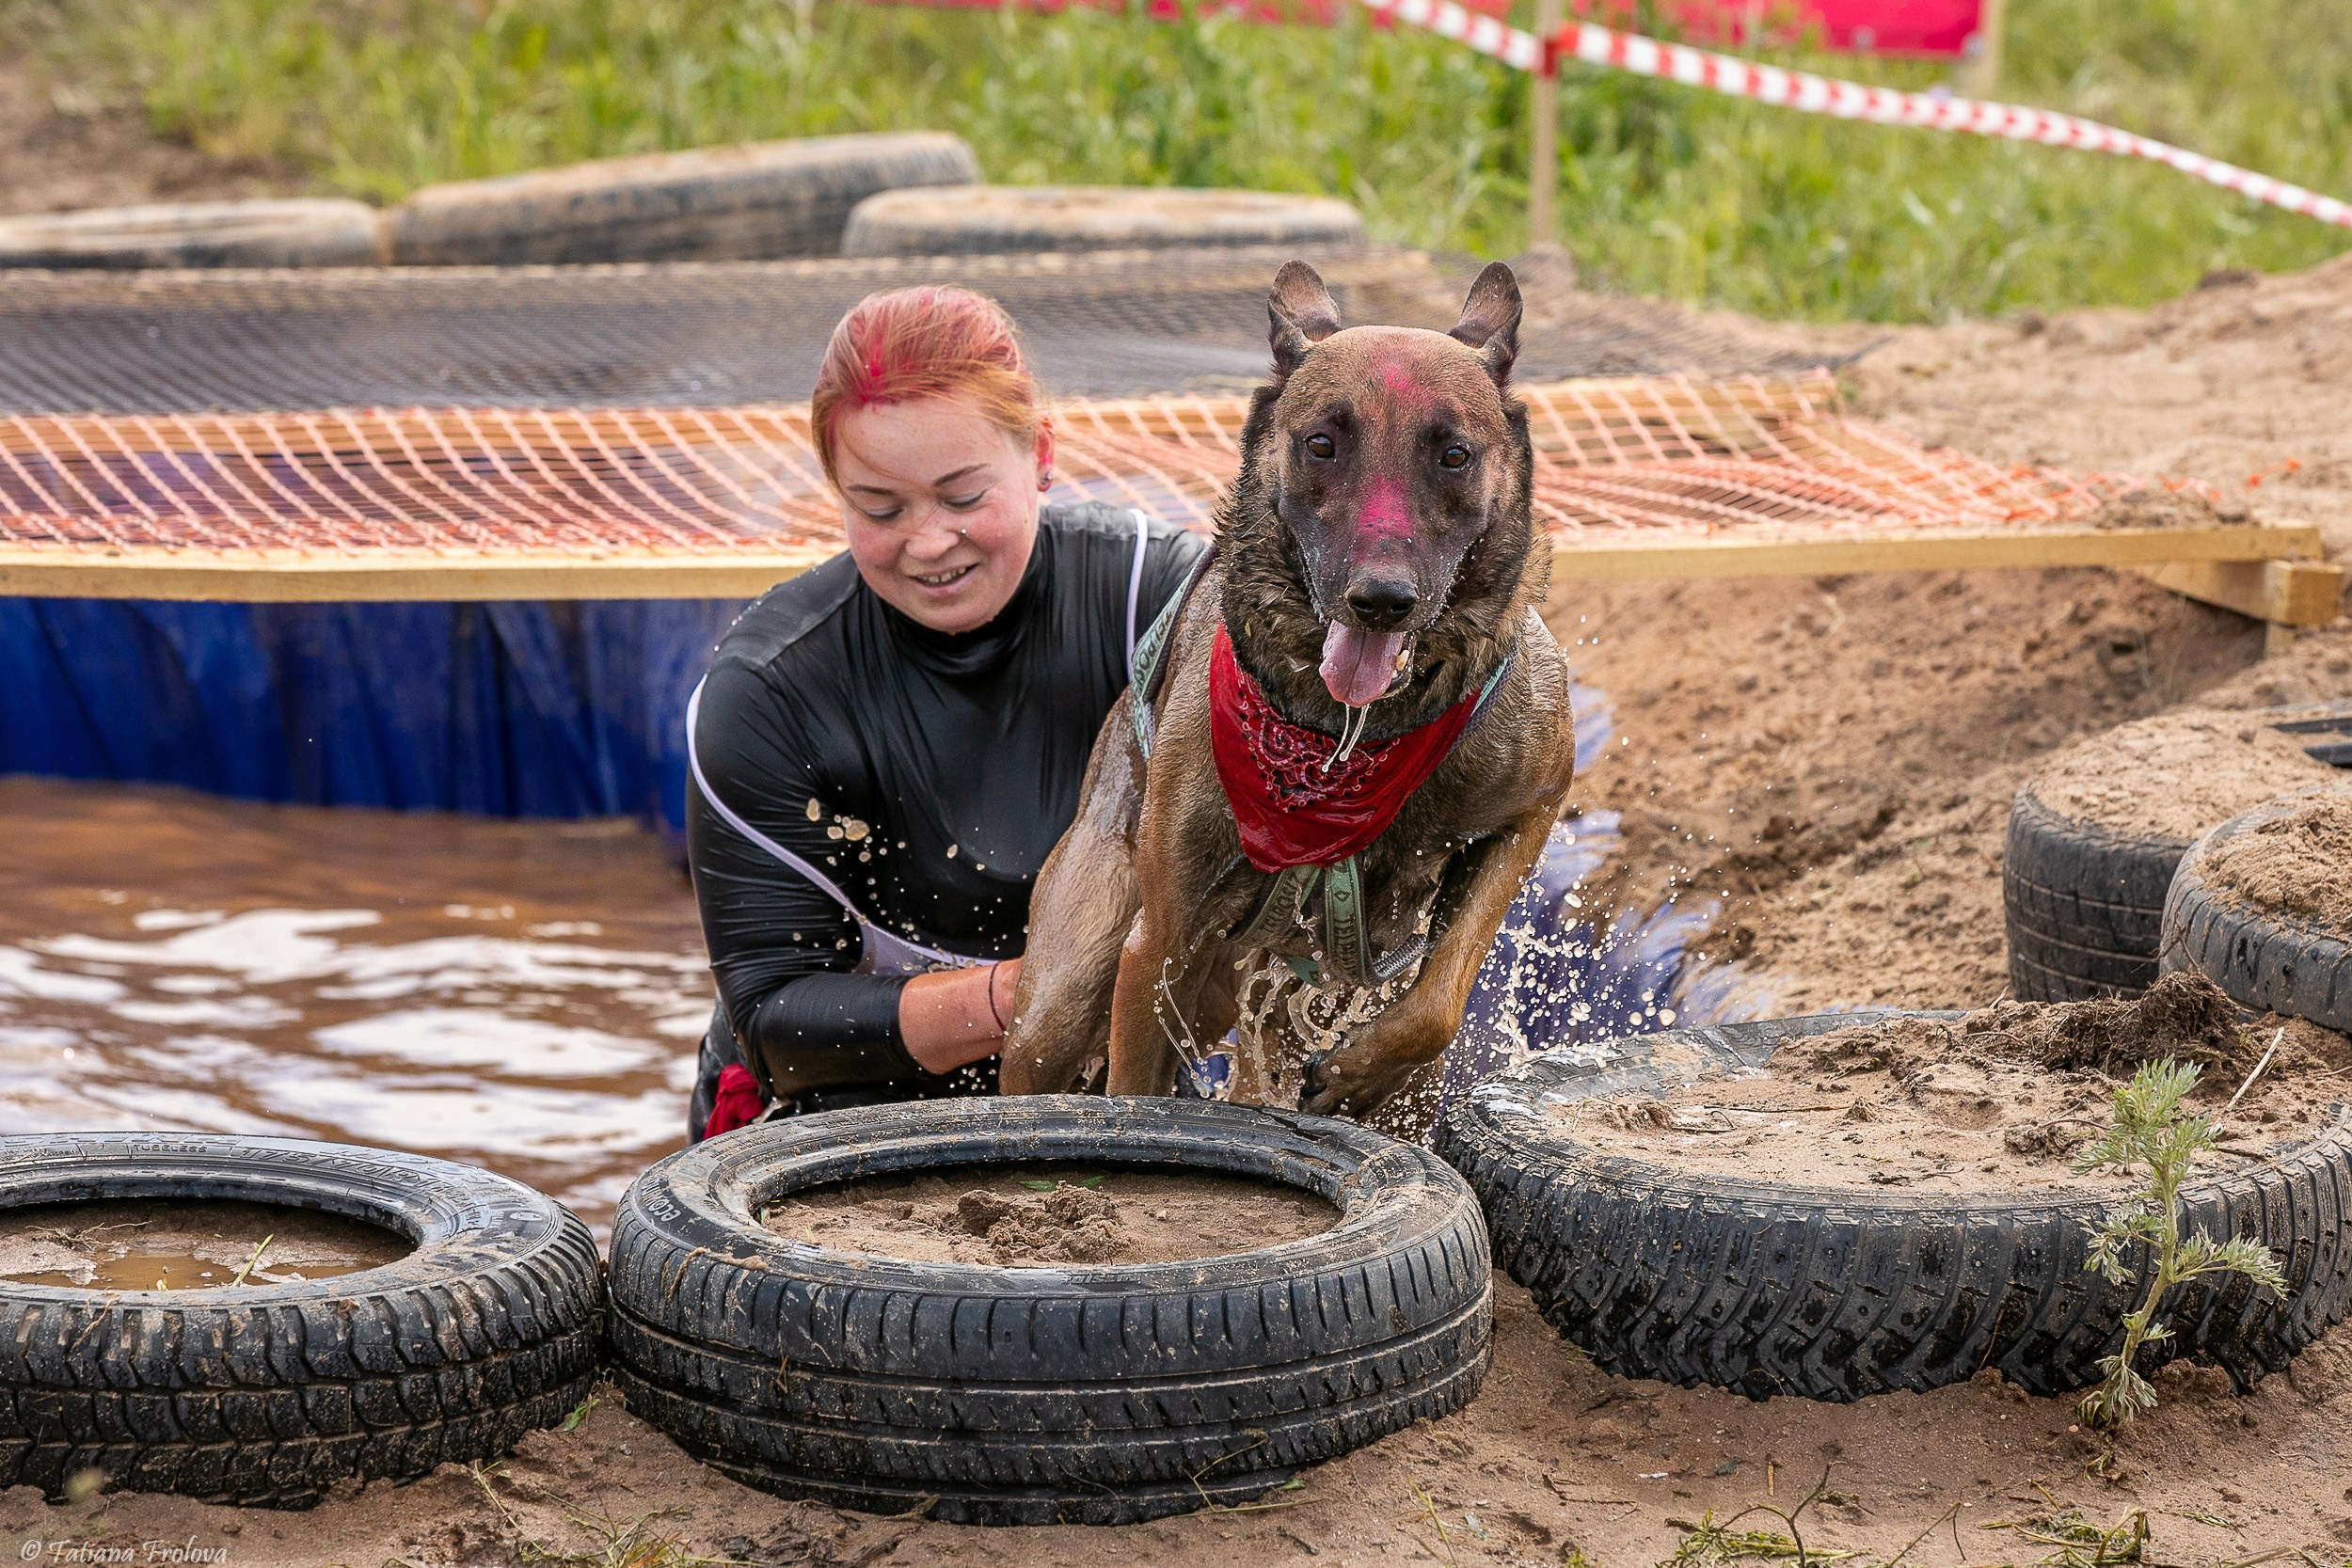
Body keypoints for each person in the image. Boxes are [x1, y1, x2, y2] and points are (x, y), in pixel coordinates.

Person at [685, 285, 1210, 1139]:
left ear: (1040, 453)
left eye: (964, 497)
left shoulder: (1158, 598)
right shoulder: (768, 693)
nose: (928, 543)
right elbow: (778, 1023)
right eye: (879, 508)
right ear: (836, 490)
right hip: (840, 1101)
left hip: (1112, 1074)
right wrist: (1028, 994)